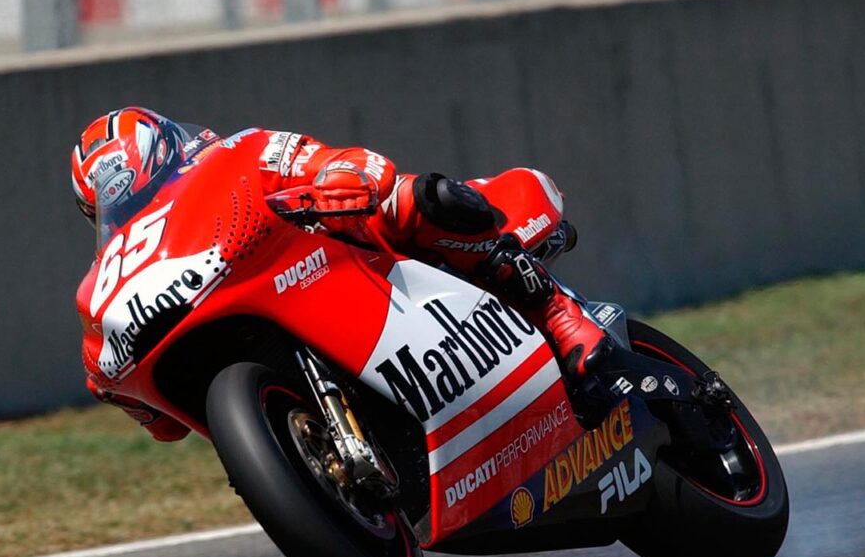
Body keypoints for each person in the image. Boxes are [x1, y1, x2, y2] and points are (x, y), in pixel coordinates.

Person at [72, 107, 613, 439]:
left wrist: (344, 180)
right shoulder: (121, 266)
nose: (138, 209)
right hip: (251, 303)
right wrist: (117, 387)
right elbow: (168, 429)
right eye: (120, 206)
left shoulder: (239, 153)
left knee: (422, 199)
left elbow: (351, 161)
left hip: (351, 250)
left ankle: (556, 312)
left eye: (144, 189)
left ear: (170, 151)